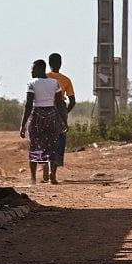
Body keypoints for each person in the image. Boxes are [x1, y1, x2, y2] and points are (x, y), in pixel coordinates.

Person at [20, 59, 67, 185]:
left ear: (40, 69)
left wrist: (23, 124)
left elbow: (28, 105)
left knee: (34, 144)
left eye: (33, 68)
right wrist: (64, 121)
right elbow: (59, 104)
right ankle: (52, 173)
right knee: (51, 145)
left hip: (37, 117)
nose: (31, 71)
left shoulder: (32, 83)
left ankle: (33, 177)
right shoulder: (55, 83)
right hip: (52, 116)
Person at [44, 52, 76, 182]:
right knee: (58, 141)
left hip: (44, 108)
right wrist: (64, 114)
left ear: (49, 63)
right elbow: (72, 101)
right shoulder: (66, 80)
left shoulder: (43, 78)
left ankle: (45, 164)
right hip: (59, 109)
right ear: (60, 64)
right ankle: (53, 172)